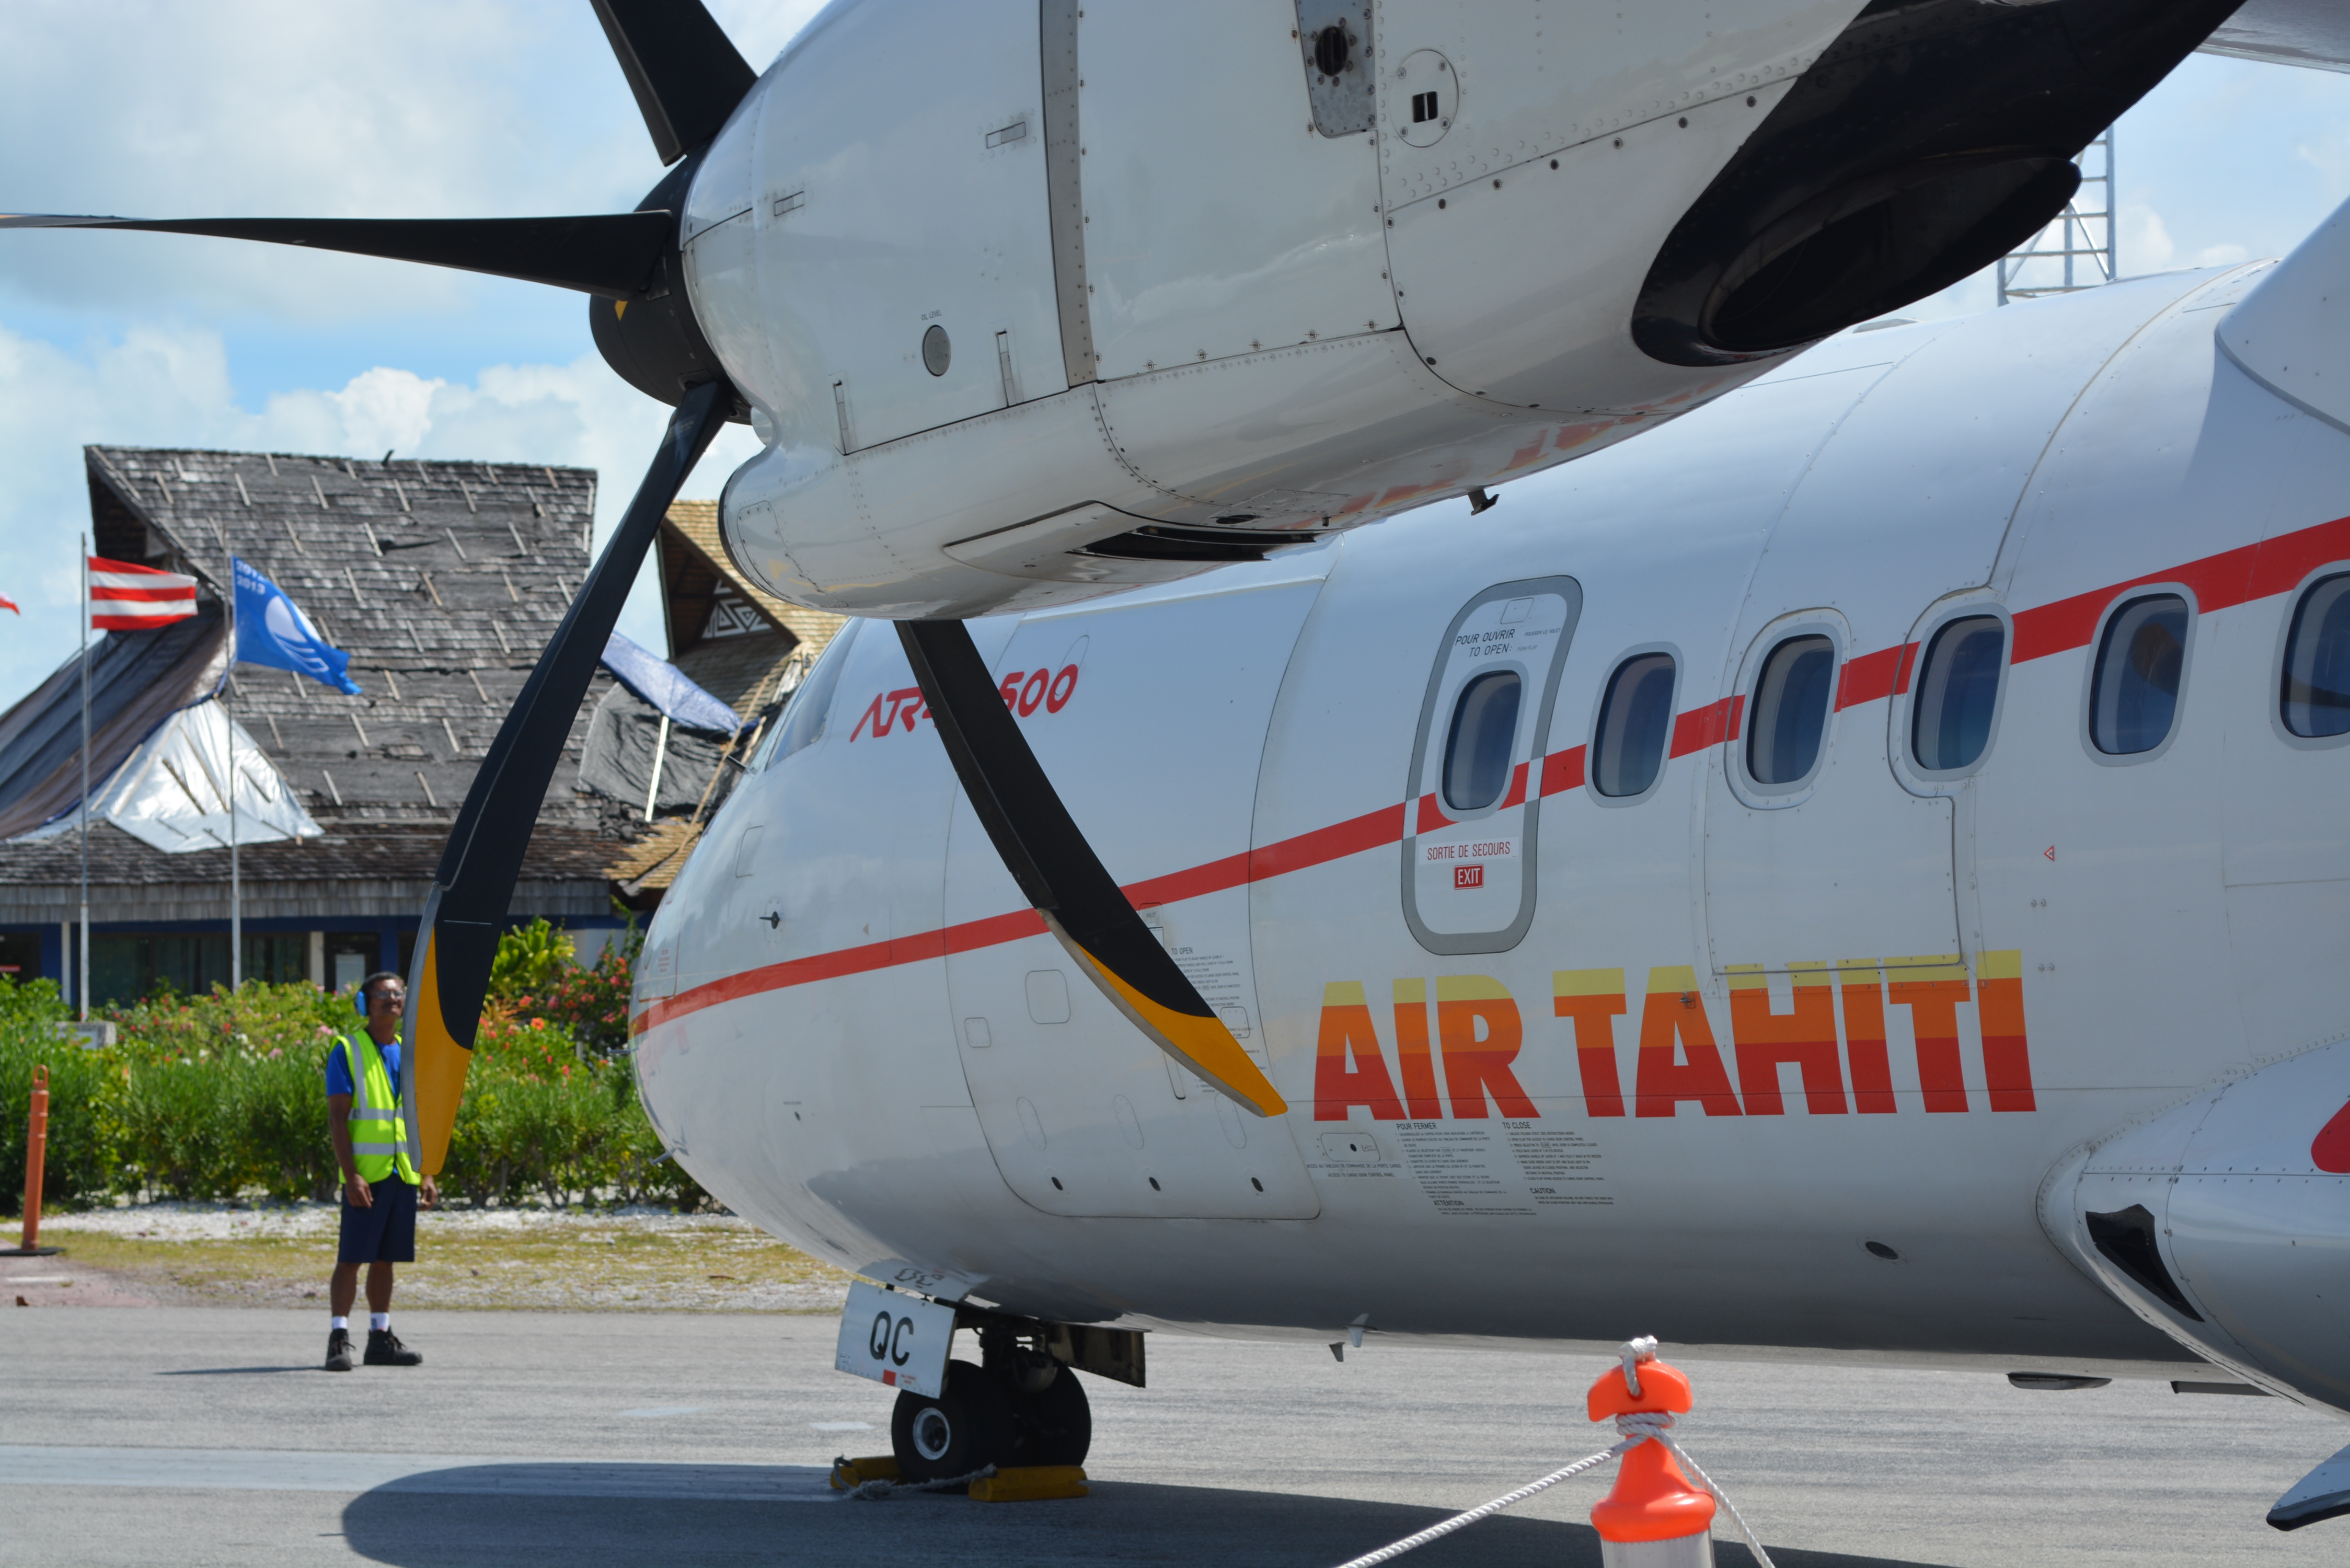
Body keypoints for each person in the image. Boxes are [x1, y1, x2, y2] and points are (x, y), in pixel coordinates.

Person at [323, 970, 435, 1371]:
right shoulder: (347, 1049)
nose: (393, 999)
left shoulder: (408, 1052)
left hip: (401, 1173)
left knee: (386, 1259)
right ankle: (338, 1338)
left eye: (398, 993)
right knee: (351, 1259)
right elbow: (338, 1118)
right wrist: (351, 1174)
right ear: (365, 1004)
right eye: (383, 994)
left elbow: (418, 1117)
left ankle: (380, 1338)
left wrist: (426, 1173)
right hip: (366, 1176)